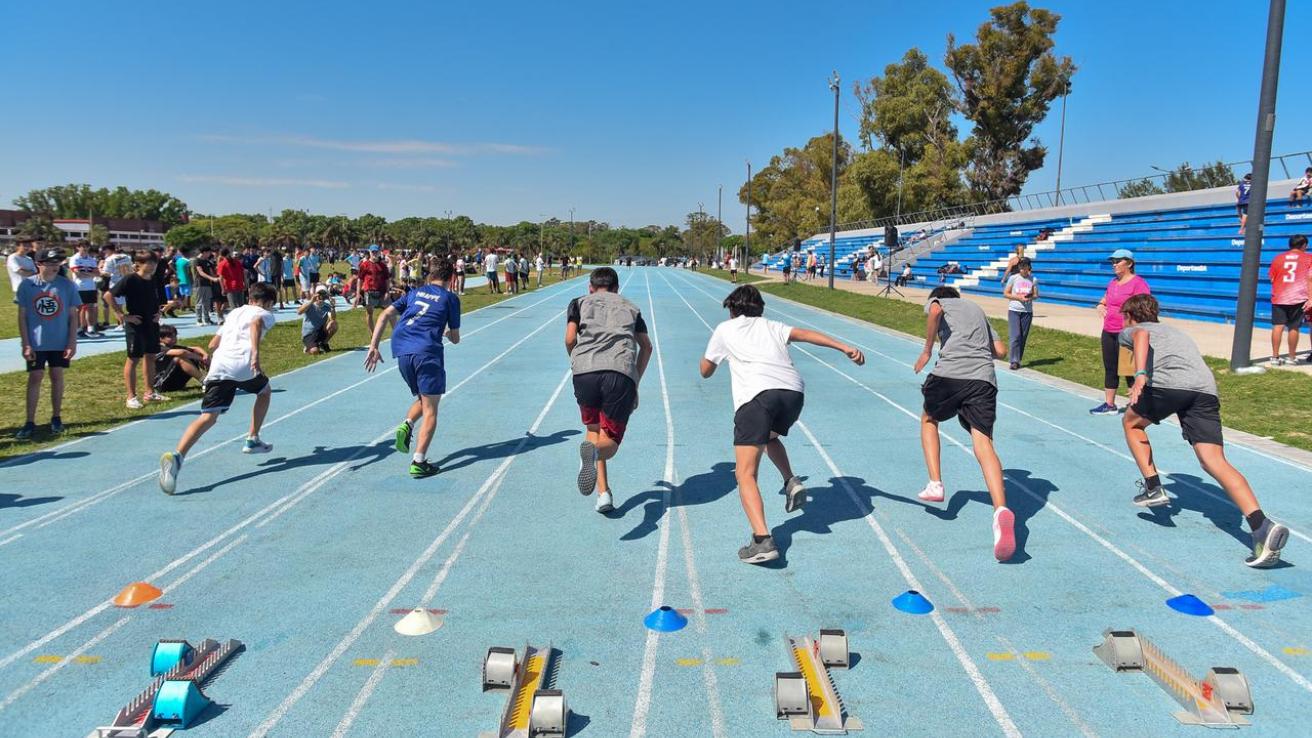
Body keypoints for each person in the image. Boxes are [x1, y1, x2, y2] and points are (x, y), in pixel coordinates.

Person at [1117, 294, 1289, 567]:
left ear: (1131, 315)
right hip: (1205, 391)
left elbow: (1140, 337)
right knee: (1214, 461)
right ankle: (1261, 526)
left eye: (1123, 316)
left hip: (1169, 385)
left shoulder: (1133, 328)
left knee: (1130, 423)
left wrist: (1140, 376)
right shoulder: (1176, 331)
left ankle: (1153, 487)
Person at [700, 285, 864, 564]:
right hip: (793, 394)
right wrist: (844, 347)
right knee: (769, 438)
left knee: (745, 474)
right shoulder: (772, 326)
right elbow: (805, 334)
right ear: (759, 308)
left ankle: (762, 540)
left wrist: (716, 361)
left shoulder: (725, 330)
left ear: (732, 309)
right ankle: (790, 480)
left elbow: (705, 371)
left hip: (756, 397)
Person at [913, 286, 1015, 562]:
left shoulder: (940, 301)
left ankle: (935, 483)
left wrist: (927, 350)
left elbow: (934, 311)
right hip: (983, 379)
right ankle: (1001, 510)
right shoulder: (978, 312)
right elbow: (1001, 351)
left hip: (950, 373)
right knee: (983, 443)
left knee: (928, 418)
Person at [158, 282, 278, 494]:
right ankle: (252, 438)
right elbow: (256, 324)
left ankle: (177, 456)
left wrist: (209, 356)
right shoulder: (264, 313)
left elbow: (214, 343)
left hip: (220, 364)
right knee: (265, 391)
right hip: (243, 364)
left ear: (249, 297)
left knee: (208, 417)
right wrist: (256, 353)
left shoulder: (234, 313)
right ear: (268, 302)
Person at [364, 257, 461, 479]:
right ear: (451, 278)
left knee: (425, 398)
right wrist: (446, 333)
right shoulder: (450, 299)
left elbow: (385, 314)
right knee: (431, 409)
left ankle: (407, 424)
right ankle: (419, 461)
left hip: (402, 350)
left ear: (429, 275)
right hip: (426, 351)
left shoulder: (415, 293)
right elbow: (455, 338)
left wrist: (373, 346)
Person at [566, 267, 652, 514]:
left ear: (590, 288)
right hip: (619, 372)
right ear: (617, 288)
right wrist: (634, 381)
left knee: (593, 430)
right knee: (610, 442)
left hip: (584, 372)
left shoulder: (578, 303)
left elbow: (570, 339)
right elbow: (646, 347)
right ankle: (595, 461)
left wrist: (576, 363)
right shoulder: (630, 307)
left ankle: (603, 494)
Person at [15, 248, 79, 439]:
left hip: (59, 341)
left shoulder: (66, 285)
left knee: (57, 375)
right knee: (35, 377)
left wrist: (71, 342)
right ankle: (29, 421)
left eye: (57, 263)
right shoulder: (27, 285)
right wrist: (26, 343)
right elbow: (22, 316)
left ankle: (56, 417)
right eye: (50, 263)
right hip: (36, 341)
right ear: (39, 264)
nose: (54, 267)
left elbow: (73, 316)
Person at [1091, 249, 1151, 414]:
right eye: (1113, 262)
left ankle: (1139, 406)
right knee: (1110, 367)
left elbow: (1146, 307)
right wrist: (1100, 305)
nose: (1114, 264)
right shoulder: (1113, 283)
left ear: (1129, 263)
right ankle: (1109, 404)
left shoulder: (1138, 283)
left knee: (1129, 370)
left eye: (1118, 261)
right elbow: (1105, 299)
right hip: (1108, 330)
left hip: (1127, 334)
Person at [111, 251, 166, 409]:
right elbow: (108, 295)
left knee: (150, 356)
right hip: (135, 323)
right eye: (149, 263)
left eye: (154, 263)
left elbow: (159, 300)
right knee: (133, 359)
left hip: (152, 323)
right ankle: (131, 397)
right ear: (139, 264)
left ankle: (150, 392)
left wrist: (159, 312)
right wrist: (122, 315)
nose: (153, 266)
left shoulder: (155, 279)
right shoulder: (130, 279)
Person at [1267, 234, 1312, 365]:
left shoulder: (1278, 258)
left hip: (1279, 297)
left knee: (1277, 327)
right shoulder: (1309, 258)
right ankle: (1292, 357)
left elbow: (1271, 278)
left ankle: (1275, 357)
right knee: (1293, 327)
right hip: (1297, 297)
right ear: (1304, 245)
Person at [1002, 257, 1038, 370]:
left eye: (1025, 266)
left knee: (1022, 337)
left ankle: (1018, 359)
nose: (1022, 269)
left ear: (1029, 267)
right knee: (1015, 335)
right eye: (1021, 267)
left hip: (1027, 312)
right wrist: (1018, 298)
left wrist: (1030, 297)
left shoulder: (1033, 279)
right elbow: (1006, 293)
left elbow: (1036, 295)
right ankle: (1014, 360)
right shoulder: (1013, 278)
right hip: (1014, 310)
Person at [153, 323, 209, 394]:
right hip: (161, 384)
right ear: (160, 338)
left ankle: (215, 378)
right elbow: (182, 352)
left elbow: (196, 348)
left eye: (175, 336)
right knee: (180, 359)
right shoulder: (157, 348)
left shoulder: (172, 346)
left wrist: (205, 355)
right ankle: (205, 381)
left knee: (196, 355)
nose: (175, 339)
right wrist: (200, 359)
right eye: (171, 337)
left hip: (174, 383)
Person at [68, 241, 102, 337]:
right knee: (78, 308)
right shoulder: (75, 258)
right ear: (78, 247)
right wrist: (90, 274)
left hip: (91, 287)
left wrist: (86, 274)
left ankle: (90, 329)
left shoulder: (91, 259)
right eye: (83, 247)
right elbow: (78, 274)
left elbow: (97, 273)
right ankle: (78, 329)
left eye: (87, 247)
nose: (85, 248)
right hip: (79, 287)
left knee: (90, 308)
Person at [357, 245, 390, 333]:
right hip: (369, 291)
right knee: (369, 313)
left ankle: (393, 331)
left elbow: (387, 279)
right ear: (370, 252)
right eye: (373, 252)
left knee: (388, 311)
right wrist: (358, 294)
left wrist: (387, 292)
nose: (375, 254)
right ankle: (373, 334)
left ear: (379, 252)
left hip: (381, 291)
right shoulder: (364, 265)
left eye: (376, 252)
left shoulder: (383, 266)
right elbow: (360, 279)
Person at [100, 242, 133, 330]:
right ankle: (128, 321)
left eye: (105, 251)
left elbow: (107, 273)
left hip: (116, 284)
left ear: (107, 250)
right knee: (129, 304)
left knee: (117, 305)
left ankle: (122, 324)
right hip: (128, 281)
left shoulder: (109, 259)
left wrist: (99, 269)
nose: (104, 253)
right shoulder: (126, 256)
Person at [298, 285, 338, 354]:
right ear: (315, 295)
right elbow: (299, 312)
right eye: (319, 294)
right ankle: (308, 349)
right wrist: (311, 301)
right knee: (315, 351)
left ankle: (323, 343)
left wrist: (333, 306)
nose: (321, 297)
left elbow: (333, 318)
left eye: (323, 295)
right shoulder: (309, 304)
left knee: (334, 324)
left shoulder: (327, 306)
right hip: (309, 334)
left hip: (320, 332)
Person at [192, 245, 220, 325]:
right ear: (204, 252)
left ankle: (207, 319)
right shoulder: (197, 260)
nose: (210, 254)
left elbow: (212, 272)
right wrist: (212, 278)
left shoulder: (207, 261)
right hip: (199, 284)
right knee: (199, 302)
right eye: (208, 252)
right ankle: (199, 320)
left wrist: (217, 278)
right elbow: (201, 272)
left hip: (207, 284)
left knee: (207, 302)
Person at [6, 235, 38, 301]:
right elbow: (21, 272)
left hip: (32, 287)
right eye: (24, 245)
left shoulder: (29, 259)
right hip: (20, 288)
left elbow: (36, 273)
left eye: (29, 245)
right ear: (18, 246)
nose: (27, 247)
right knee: (24, 310)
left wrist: (25, 270)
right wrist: (28, 271)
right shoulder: (13, 257)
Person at [174, 247, 193, 312]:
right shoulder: (188, 261)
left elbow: (173, 265)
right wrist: (192, 279)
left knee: (182, 294)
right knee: (188, 294)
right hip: (187, 279)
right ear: (187, 253)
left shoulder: (178, 261)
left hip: (180, 279)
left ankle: (181, 307)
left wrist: (176, 272)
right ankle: (188, 307)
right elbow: (189, 272)